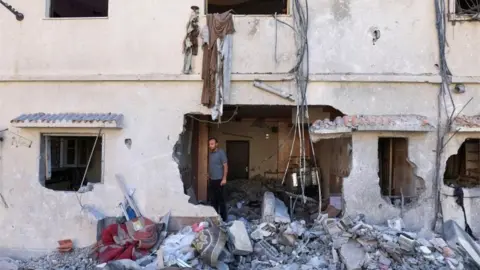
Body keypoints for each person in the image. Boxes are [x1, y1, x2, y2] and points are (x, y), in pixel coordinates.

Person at [207, 137, 228, 221]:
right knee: (213, 200)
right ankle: (215, 218)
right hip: (212, 180)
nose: (210, 146)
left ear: (216, 144)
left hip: (219, 180)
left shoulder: (221, 153)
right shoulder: (211, 154)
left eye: (212, 144)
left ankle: (223, 219)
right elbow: (213, 166)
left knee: (221, 200)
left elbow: (225, 166)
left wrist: (224, 178)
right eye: (209, 144)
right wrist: (209, 174)